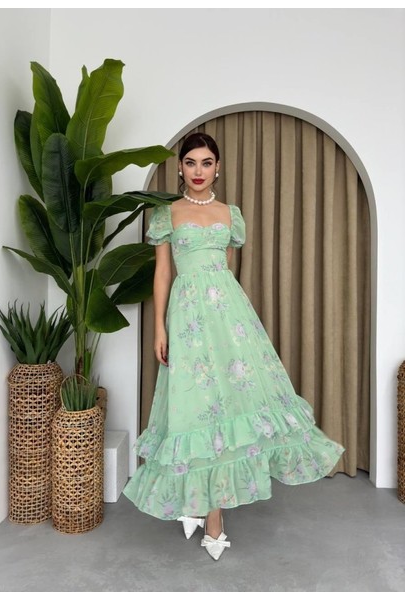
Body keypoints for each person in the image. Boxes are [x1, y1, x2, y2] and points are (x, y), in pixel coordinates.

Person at [123, 132, 344, 561]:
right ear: (180, 167)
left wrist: (227, 315)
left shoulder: (230, 214)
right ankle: (201, 505)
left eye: (206, 163)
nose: (198, 171)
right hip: (187, 319)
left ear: (218, 167)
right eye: (190, 162)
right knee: (194, 407)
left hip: (229, 319)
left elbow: (224, 269)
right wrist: (160, 328)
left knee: (227, 406)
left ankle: (212, 514)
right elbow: (163, 273)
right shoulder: (167, 213)